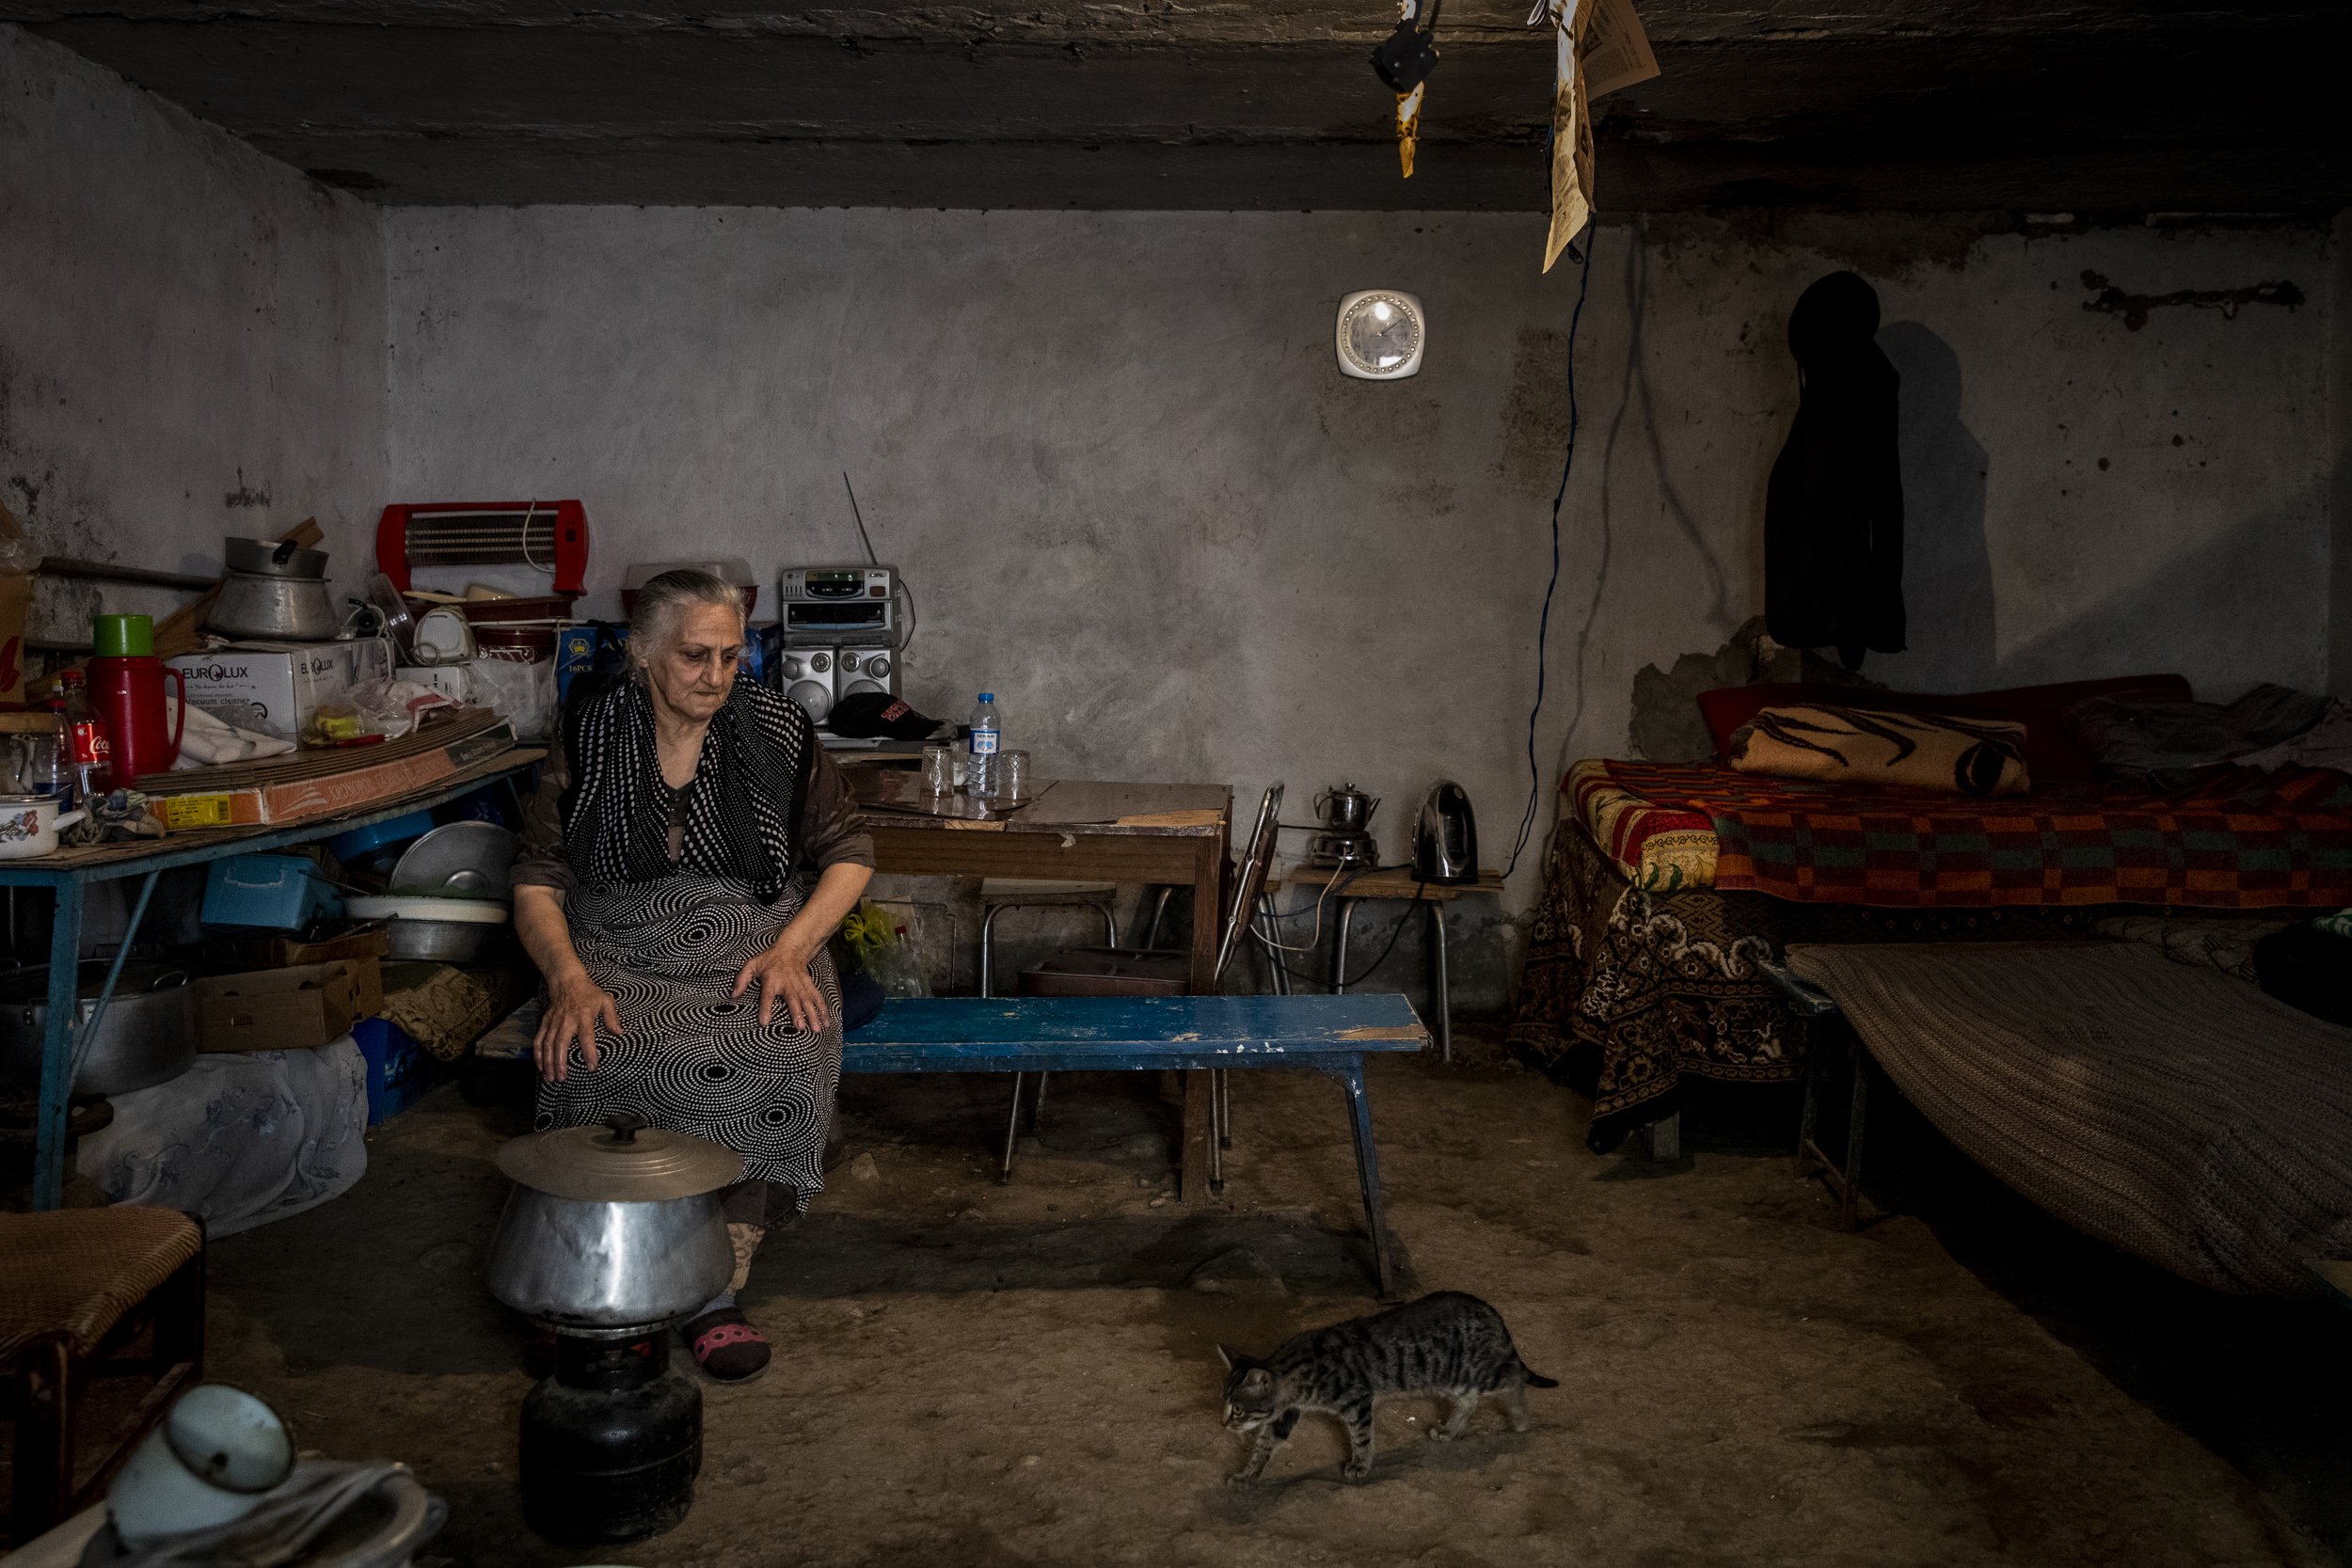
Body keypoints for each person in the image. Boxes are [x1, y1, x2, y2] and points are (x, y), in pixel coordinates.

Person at [513, 568, 874, 1382]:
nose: (716, 675)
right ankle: (584, 1278)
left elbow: (850, 853)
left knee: (778, 1038)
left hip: (750, 934)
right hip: (616, 940)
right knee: (593, 1045)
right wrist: (568, 976)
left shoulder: (778, 728)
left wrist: (792, 950)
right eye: (693, 656)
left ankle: (714, 1282)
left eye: (730, 653)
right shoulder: (590, 725)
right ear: (641, 653)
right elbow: (538, 875)